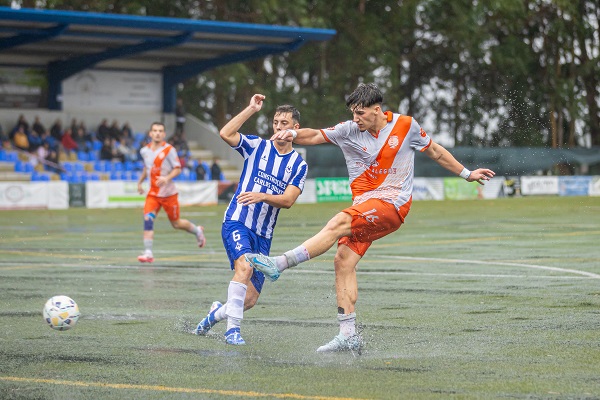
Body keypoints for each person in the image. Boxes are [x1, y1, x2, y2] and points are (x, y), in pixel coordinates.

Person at [246, 83, 495, 353]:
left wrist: (467, 173)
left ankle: (279, 264)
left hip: (392, 205)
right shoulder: (348, 130)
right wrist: (291, 132)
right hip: (365, 209)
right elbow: (314, 135)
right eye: (353, 113)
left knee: (338, 222)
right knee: (342, 261)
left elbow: (434, 151)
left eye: (361, 114)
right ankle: (348, 334)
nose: (356, 119)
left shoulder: (406, 125)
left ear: (377, 110)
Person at [194, 94, 307, 345]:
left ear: (295, 128)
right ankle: (232, 331)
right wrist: (251, 109)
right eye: (276, 122)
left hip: (263, 235)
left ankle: (215, 315)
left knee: (250, 299)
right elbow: (226, 133)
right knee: (243, 267)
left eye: (284, 123)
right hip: (237, 220)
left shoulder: (299, 164)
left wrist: (262, 195)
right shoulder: (257, 146)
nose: (278, 127)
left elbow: (288, 200)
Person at [136, 121, 207, 263]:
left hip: (169, 194)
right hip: (153, 194)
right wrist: (140, 182)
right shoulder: (144, 151)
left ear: (163, 134)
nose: (157, 133)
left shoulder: (169, 150)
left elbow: (178, 168)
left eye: (160, 131)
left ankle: (197, 231)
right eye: (154, 130)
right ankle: (148, 253)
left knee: (176, 223)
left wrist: (167, 178)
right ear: (150, 133)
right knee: (148, 219)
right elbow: (147, 168)